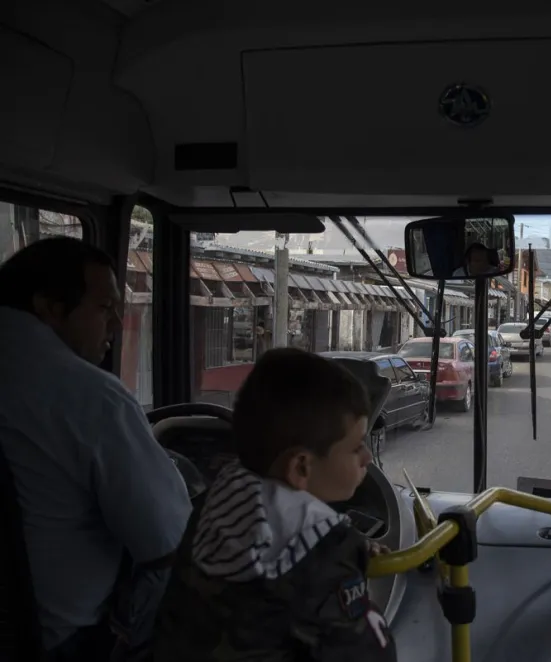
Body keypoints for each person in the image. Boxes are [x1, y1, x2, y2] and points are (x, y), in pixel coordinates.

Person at [0, 237, 192, 659]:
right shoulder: (91, 397)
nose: (119, 323)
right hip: (66, 642)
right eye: (105, 308)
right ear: (50, 307)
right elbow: (168, 542)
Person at [153, 348, 396, 662]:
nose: (367, 457)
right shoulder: (328, 547)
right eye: (356, 446)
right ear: (301, 468)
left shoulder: (210, 507)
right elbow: (368, 651)